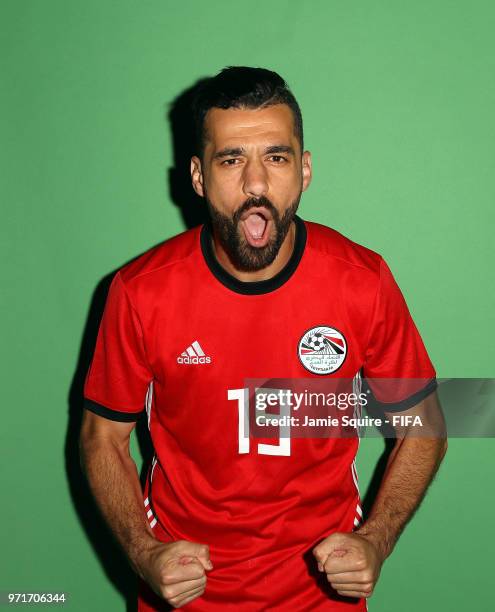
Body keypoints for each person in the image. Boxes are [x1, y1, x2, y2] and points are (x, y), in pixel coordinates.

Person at [79, 66, 447, 611]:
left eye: (275, 157)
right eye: (232, 160)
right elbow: (101, 438)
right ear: (199, 177)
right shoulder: (140, 292)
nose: (255, 183)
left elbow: (426, 425)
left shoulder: (360, 280)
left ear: (304, 170)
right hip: (187, 594)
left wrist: (376, 540)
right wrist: (143, 552)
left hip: (323, 597)